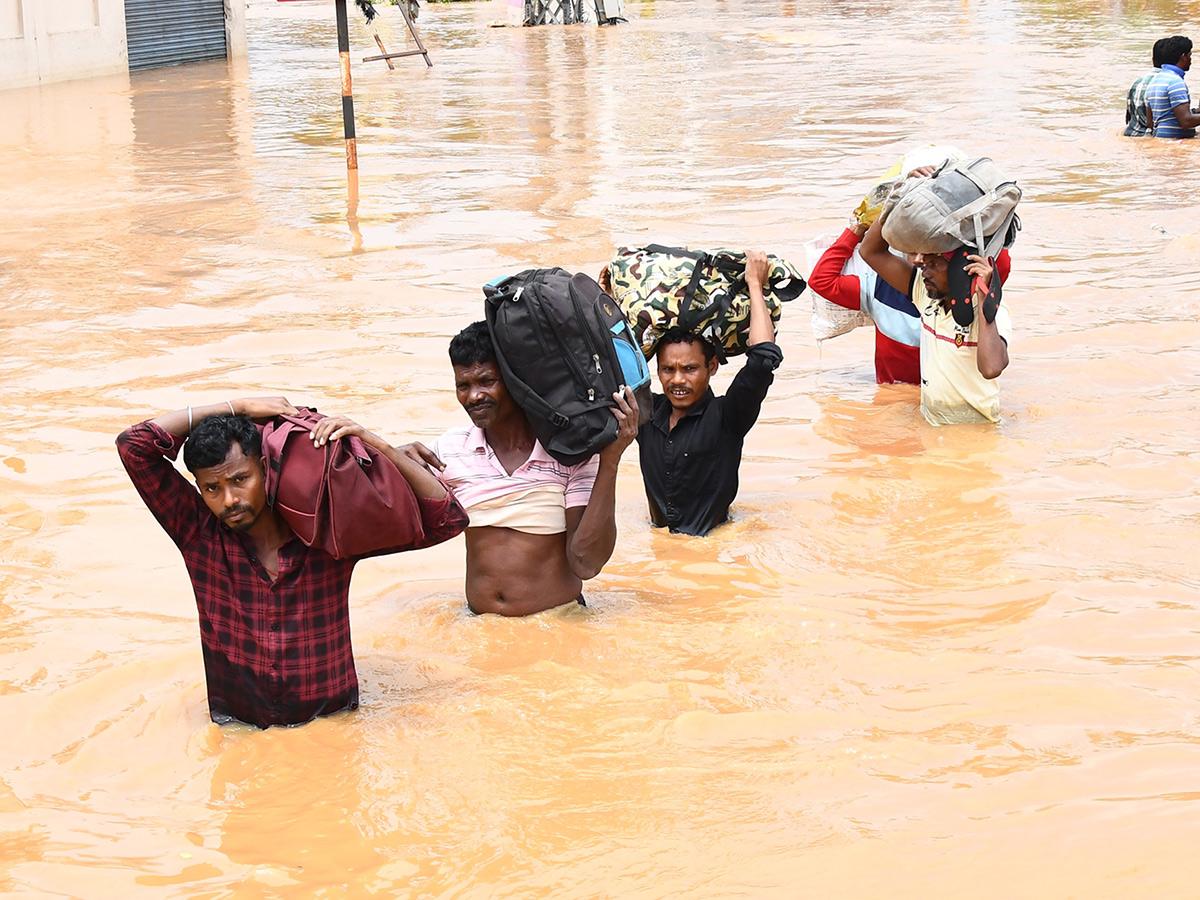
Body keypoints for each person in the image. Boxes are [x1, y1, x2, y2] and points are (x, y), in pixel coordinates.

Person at [116, 397, 467, 729]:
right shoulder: (199, 534)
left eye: (240, 479)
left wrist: (379, 446)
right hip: (239, 727)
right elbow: (134, 446)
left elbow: (447, 519)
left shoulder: (328, 533)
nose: (230, 500)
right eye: (212, 488)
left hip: (334, 726)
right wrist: (239, 406)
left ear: (266, 469)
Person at [420, 322, 637, 617]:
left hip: (559, 624)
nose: (474, 396)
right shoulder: (450, 450)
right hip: (480, 627)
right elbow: (393, 517)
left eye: (487, 381)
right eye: (463, 385)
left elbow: (586, 563)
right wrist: (382, 448)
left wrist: (610, 461)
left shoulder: (567, 453)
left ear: (514, 380)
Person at [634, 251, 782, 536]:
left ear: (711, 366)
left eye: (690, 369)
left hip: (710, 549)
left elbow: (763, 358)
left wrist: (754, 283)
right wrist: (607, 298)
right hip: (659, 553)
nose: (678, 380)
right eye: (668, 370)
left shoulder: (729, 417)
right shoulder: (646, 414)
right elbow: (608, 364)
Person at [809, 219, 1011, 385]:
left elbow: (997, 261)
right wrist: (885, 208)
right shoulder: (902, 291)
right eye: (913, 252)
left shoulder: (981, 309)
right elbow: (823, 280)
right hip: (907, 402)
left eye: (932, 261)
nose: (918, 260)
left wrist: (986, 297)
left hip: (958, 420)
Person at [860, 209, 1012, 426]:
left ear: (960, 270)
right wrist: (896, 202)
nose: (924, 272)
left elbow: (991, 368)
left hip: (974, 430)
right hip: (932, 425)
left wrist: (985, 299)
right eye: (924, 265)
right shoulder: (925, 296)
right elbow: (870, 252)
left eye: (933, 264)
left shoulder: (995, 311)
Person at [1147, 35, 1200, 138]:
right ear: (1183, 57)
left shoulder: (1155, 80)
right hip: (1175, 143)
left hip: (1161, 140)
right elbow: (1186, 121)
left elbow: (1150, 123)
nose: (1191, 60)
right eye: (1189, 55)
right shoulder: (1175, 82)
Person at [1125, 38, 1167, 137]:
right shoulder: (1168, 84)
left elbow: (1128, 117)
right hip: (1150, 138)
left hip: (1131, 135)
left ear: (1153, 59)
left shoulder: (1137, 82)